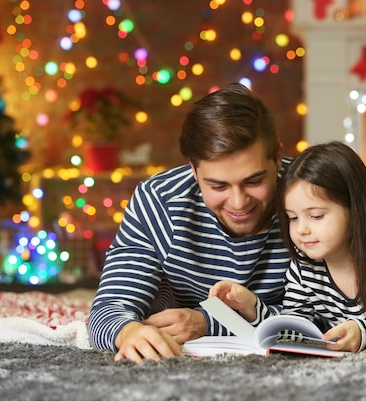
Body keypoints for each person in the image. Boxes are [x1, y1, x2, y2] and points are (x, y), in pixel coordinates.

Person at [87, 82, 293, 363]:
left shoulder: (313, 197)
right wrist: (129, 332)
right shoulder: (158, 201)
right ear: (193, 170)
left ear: (278, 157)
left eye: (254, 181)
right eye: (218, 186)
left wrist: (208, 323)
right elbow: (109, 308)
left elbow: (333, 314)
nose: (238, 202)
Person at [210, 141, 366, 352]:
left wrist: (364, 332)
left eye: (316, 216)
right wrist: (252, 306)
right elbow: (296, 326)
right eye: (292, 217)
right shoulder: (303, 264)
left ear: (355, 210)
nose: (301, 230)